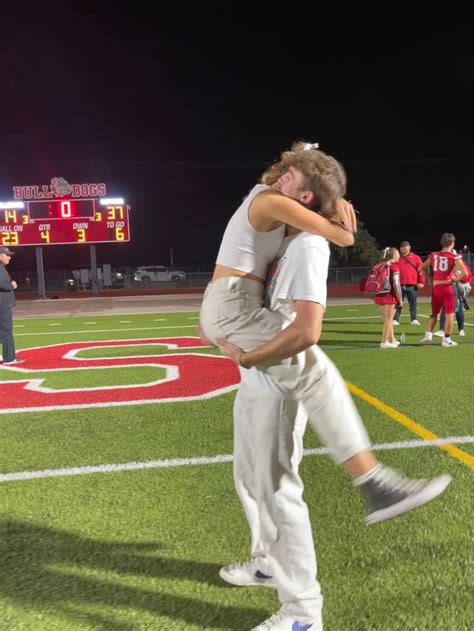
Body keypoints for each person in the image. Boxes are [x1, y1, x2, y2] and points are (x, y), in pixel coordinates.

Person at [217, 226, 452, 631]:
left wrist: (249, 355)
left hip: (278, 373)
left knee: (277, 488)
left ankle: (302, 613)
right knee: (248, 477)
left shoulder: (307, 243)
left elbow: (305, 331)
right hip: (259, 374)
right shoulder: (278, 239)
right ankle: (268, 562)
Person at [419, 233, 467, 347]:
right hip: (447, 288)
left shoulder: (434, 255)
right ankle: (446, 340)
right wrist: (453, 280)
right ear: (452, 243)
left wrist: (432, 278)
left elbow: (421, 269)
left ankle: (428, 334)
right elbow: (464, 273)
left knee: (434, 313)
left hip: (436, 288)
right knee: (449, 314)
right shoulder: (454, 256)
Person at [435, 259, 472, 338]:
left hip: (457, 288)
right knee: (448, 307)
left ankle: (460, 329)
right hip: (448, 287)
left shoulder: (461, 264)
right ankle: (444, 330)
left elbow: (468, 276)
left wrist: (457, 277)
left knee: (457, 308)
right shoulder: (446, 265)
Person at [374, 247, 403, 348]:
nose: (399, 255)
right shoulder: (394, 266)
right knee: (389, 319)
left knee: (387, 319)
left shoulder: (380, 265)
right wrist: (400, 299)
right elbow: (396, 284)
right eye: (398, 254)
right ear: (394, 255)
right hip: (389, 295)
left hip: (379, 294)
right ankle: (384, 342)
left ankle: (392, 339)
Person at [0, 246, 24, 365]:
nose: (9, 257)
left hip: (3, 302)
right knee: (6, 330)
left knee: (3, 331)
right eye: (7, 255)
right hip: (2, 303)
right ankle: (9, 358)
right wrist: (12, 285)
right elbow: (3, 285)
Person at [393, 240, 425, 326]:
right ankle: (395, 319)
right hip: (399, 285)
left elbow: (421, 271)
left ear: (409, 247)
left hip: (412, 284)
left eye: (405, 246)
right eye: (401, 247)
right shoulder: (397, 258)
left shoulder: (416, 258)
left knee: (413, 303)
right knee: (398, 302)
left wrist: (421, 282)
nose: (403, 248)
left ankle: (413, 319)